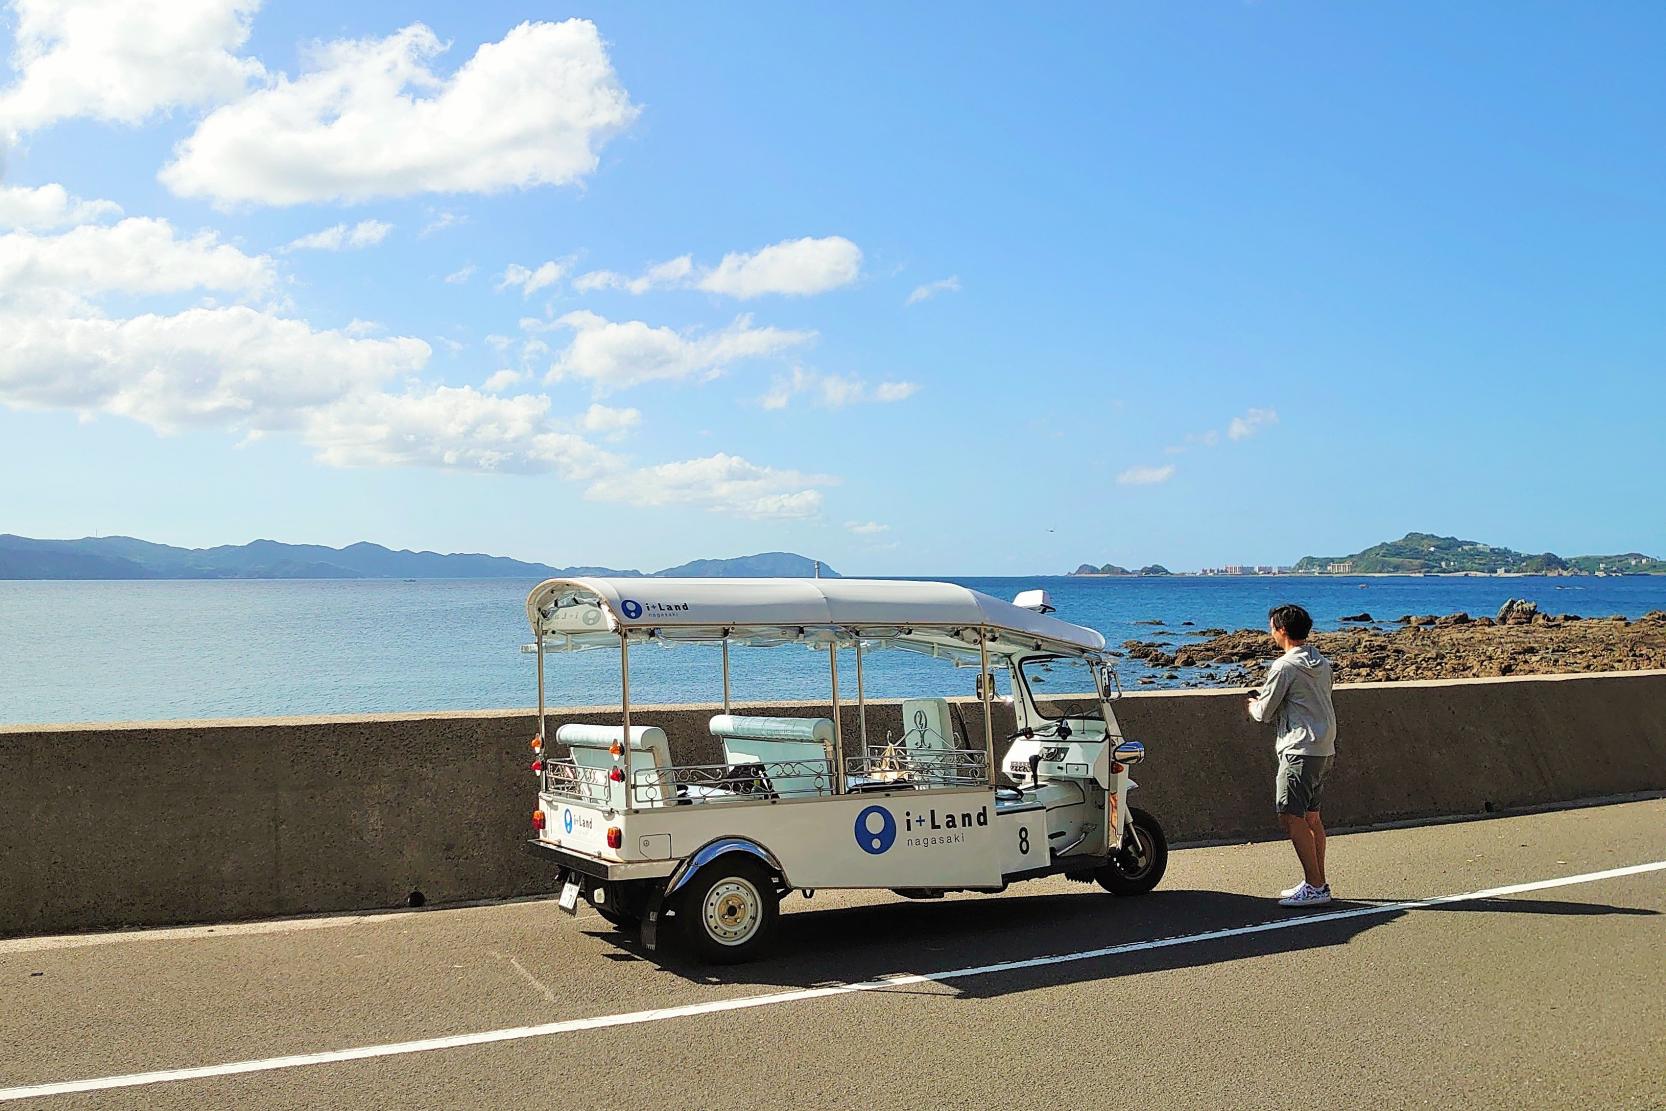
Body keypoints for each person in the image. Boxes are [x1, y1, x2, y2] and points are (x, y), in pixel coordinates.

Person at [1247, 603, 1337, 907]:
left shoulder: (1284, 667)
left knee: (1290, 815)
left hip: (1299, 749)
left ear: (1282, 631)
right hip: (1323, 747)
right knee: (1312, 816)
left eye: (1272, 627)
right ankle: (1318, 881)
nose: (1270, 632)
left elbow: (1264, 712)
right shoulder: (1322, 663)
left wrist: (1251, 704)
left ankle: (1314, 885)